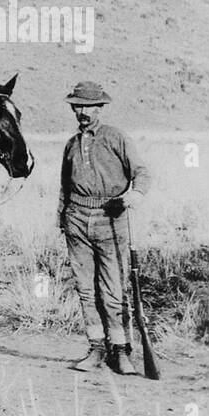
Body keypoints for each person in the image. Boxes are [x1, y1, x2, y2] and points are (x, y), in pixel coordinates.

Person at [58, 82, 151, 375]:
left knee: (113, 290)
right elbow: (64, 186)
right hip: (76, 219)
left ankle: (121, 351)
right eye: (78, 106)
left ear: (100, 108)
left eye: (88, 106)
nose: (83, 112)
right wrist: (62, 218)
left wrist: (132, 197)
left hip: (110, 220)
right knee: (86, 290)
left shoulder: (116, 137)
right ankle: (96, 348)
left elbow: (142, 173)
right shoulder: (71, 144)